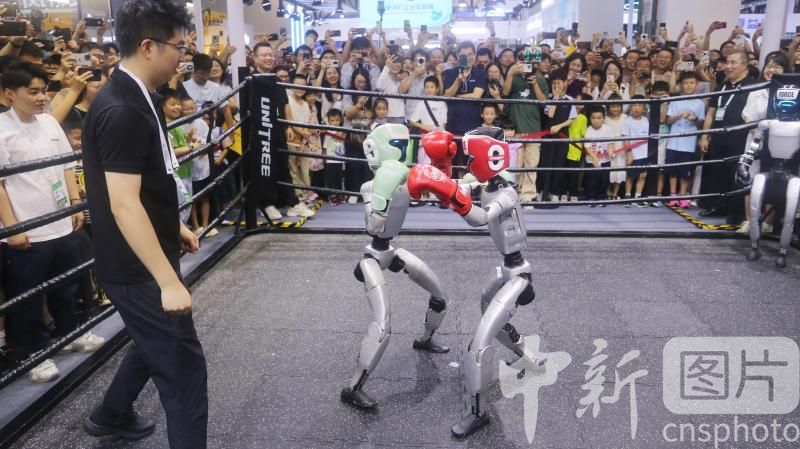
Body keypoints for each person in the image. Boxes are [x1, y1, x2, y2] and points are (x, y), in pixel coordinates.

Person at [80, 1, 208, 446]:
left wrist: (172, 227)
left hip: (141, 254)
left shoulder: (140, 97)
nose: (183, 56)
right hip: (135, 266)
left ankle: (112, 414)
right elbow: (124, 205)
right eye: (179, 47)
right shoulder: (123, 109)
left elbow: (148, 181)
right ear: (148, 46)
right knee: (184, 369)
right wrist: (166, 280)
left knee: (149, 340)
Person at [0, 62, 103, 383]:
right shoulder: (2, 130)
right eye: (32, 91)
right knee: (28, 296)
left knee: (65, 286)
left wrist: (73, 203)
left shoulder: (48, 123)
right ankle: (33, 353)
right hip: (26, 230)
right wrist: (12, 227)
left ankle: (70, 333)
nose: (41, 97)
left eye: (43, 90)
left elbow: (66, 166)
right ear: (9, 94)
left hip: (59, 221)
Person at [699, 50, 754, 224]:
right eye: (727, 63)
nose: (728, 67)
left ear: (745, 65)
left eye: (733, 63)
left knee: (736, 175)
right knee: (717, 173)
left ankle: (736, 213)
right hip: (719, 137)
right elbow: (711, 112)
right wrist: (705, 136)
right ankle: (717, 206)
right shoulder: (722, 85)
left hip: (741, 138)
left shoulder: (753, 86)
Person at [503, 48, 550, 203]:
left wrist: (535, 84)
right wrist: (510, 73)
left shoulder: (541, 78)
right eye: (522, 58)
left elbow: (544, 102)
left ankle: (528, 196)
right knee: (514, 164)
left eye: (528, 59)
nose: (525, 62)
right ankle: (512, 194)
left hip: (534, 129)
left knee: (531, 164)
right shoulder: (513, 75)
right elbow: (505, 92)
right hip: (514, 128)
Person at [665, 71, 705, 208]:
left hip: (689, 143)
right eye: (685, 83)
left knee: (685, 172)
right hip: (673, 142)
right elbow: (668, 121)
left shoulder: (700, 102)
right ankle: (672, 195)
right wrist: (678, 116)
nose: (688, 86)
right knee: (672, 170)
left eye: (691, 83)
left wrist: (693, 119)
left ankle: (683, 195)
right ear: (681, 85)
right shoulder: (675, 100)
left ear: (697, 85)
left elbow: (702, 123)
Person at [583, 106, 616, 204]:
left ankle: (601, 197)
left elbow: (610, 143)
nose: (596, 121)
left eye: (599, 118)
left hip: (605, 160)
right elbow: (587, 147)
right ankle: (590, 198)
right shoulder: (588, 131)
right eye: (593, 118)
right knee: (592, 180)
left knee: (604, 179)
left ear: (604, 118)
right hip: (591, 160)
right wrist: (594, 157)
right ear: (590, 118)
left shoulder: (608, 129)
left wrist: (610, 152)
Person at [623, 96, 651, 206]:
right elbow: (625, 139)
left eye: (639, 105)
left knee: (643, 175)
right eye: (634, 105)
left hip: (645, 153)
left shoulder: (646, 120)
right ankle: (628, 197)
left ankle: (637, 197)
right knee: (630, 176)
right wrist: (629, 154)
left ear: (643, 108)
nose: (637, 108)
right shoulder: (627, 121)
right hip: (633, 154)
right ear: (630, 107)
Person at [605, 94, 627, 200]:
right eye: (613, 106)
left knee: (619, 170)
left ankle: (615, 193)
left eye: (618, 106)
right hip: (608, 148)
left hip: (621, 148)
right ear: (608, 107)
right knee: (609, 170)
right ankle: (608, 190)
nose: (616, 109)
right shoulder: (605, 119)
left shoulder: (625, 117)